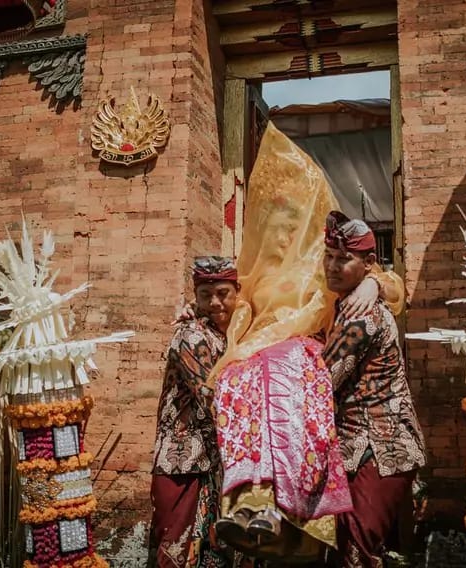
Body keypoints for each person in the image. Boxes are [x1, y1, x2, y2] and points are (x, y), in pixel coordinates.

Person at [207, 123, 406, 563]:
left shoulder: (326, 272)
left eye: (291, 224)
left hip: (307, 372)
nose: (280, 236)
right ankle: (250, 506)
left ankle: (292, 512)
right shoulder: (255, 278)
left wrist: (376, 282)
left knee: (287, 386)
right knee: (244, 389)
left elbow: (393, 290)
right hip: (264, 371)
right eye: (273, 224)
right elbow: (228, 311)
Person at [321, 211, 427, 567]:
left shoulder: (361, 313)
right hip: (360, 448)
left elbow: (325, 376)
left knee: (357, 551)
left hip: (382, 447)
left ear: (368, 264)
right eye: (329, 256)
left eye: (343, 259)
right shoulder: (345, 304)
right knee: (353, 550)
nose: (332, 266)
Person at [149, 256, 240, 568]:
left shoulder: (229, 334)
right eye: (205, 295)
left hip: (212, 464)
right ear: (195, 296)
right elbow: (212, 397)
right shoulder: (191, 336)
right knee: (174, 553)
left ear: (237, 292)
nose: (214, 302)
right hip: (182, 464)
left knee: (211, 554)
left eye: (223, 293)